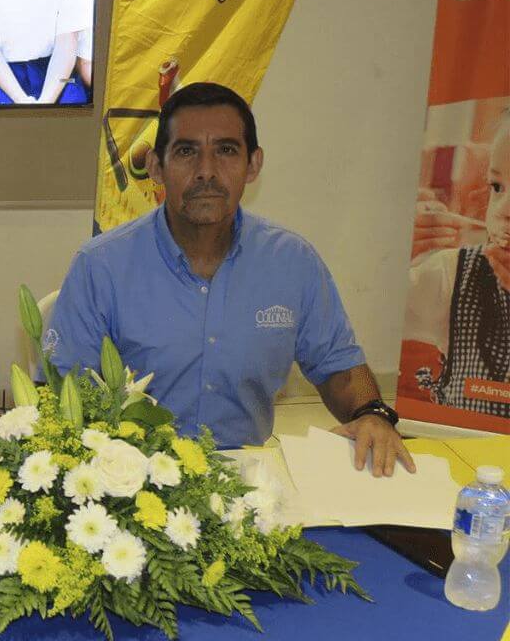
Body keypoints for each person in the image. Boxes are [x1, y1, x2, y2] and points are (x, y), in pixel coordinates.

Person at [47, 82, 415, 478]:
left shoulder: (293, 262)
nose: (206, 171)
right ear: (155, 167)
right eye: (186, 152)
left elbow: (339, 370)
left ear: (253, 164)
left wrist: (372, 414)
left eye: (226, 150)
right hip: (131, 487)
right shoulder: (100, 266)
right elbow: (61, 400)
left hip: (248, 483)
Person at [404, 109, 510, 416]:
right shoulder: (456, 274)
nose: (504, 210)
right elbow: (370, 311)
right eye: (497, 187)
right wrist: (401, 253)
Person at [0, 0, 92, 105]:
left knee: (73, 104)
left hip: (58, 75)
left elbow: (67, 44)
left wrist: (47, 101)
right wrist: (21, 100)